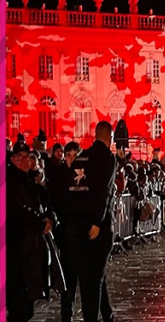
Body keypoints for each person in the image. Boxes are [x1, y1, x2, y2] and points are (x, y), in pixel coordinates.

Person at [65, 120, 118, 322]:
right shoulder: (107, 158)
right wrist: (97, 219)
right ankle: (92, 318)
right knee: (93, 280)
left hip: (78, 225)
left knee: (94, 274)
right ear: (110, 138)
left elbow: (72, 191)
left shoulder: (81, 157)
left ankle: (107, 314)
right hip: (99, 225)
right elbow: (103, 190)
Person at [7, 141, 62, 322]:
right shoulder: (10, 181)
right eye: (20, 157)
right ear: (13, 159)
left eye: (27, 157)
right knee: (18, 302)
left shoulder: (32, 181)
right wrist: (40, 223)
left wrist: (50, 219)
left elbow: (47, 203)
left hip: (31, 249)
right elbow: (17, 210)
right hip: (16, 245)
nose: (24, 161)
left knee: (27, 302)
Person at [49, 142, 82, 322]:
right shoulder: (59, 176)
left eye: (74, 155)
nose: (71, 159)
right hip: (66, 234)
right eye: (68, 155)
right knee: (68, 278)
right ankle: (66, 314)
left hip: (81, 235)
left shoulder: (83, 176)